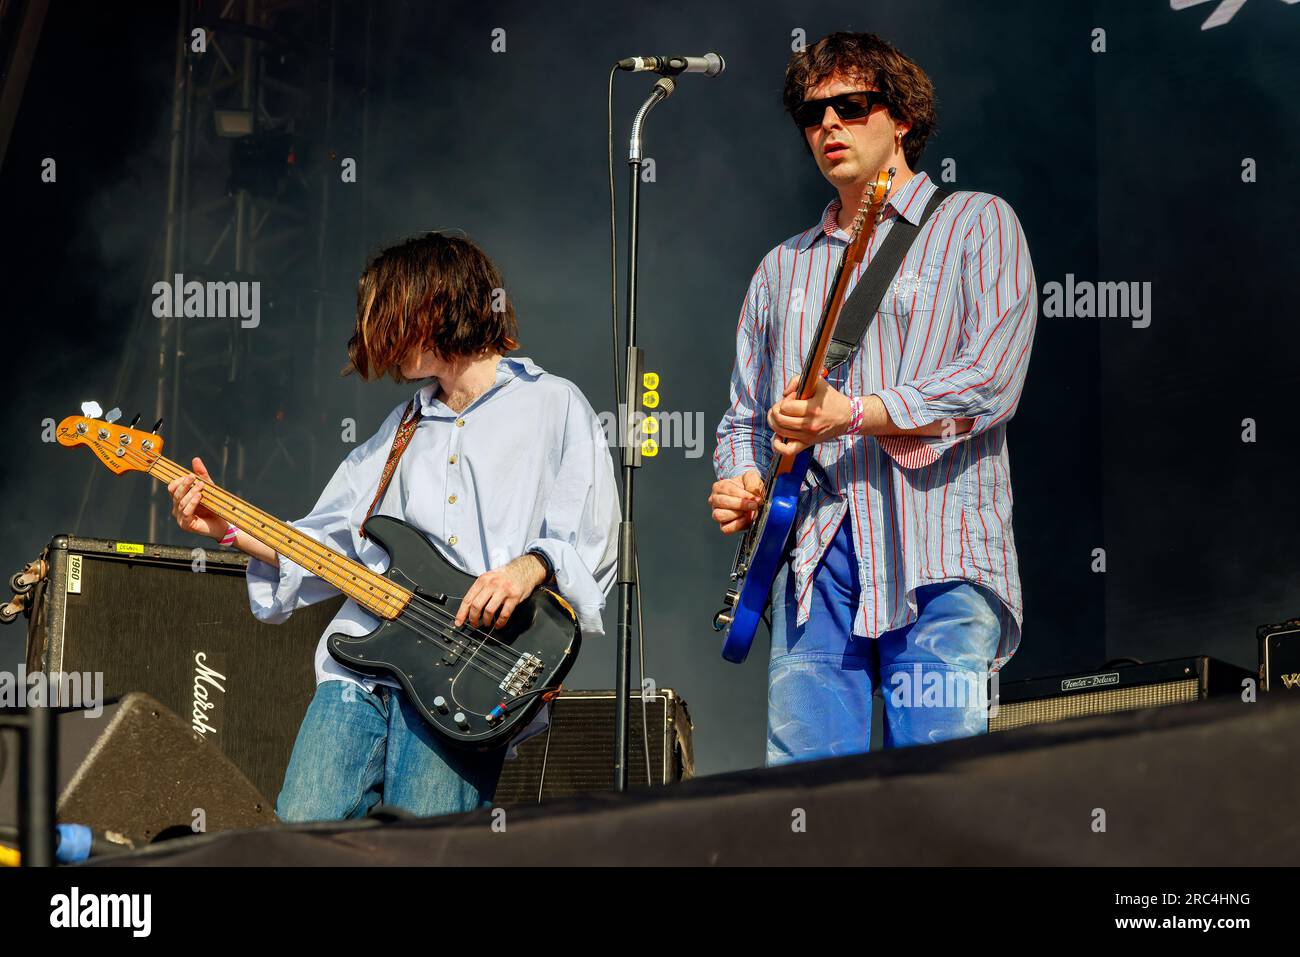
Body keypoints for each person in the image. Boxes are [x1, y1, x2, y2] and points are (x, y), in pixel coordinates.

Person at [168, 231, 620, 818]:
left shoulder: (553, 404)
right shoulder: (400, 428)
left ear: (435, 304)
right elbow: (327, 543)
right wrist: (224, 525)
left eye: (391, 314)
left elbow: (592, 530)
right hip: (358, 674)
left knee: (422, 847)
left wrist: (525, 569)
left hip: (468, 668)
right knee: (300, 837)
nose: (381, 339)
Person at [709, 32, 1037, 765]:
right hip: (815, 566)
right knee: (807, 795)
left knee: (941, 793)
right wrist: (741, 476)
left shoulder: (977, 224)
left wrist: (854, 413)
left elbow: (990, 378)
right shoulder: (779, 268)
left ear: (903, 118)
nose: (828, 124)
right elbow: (743, 417)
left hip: (939, 555)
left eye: (851, 106)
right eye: (811, 111)